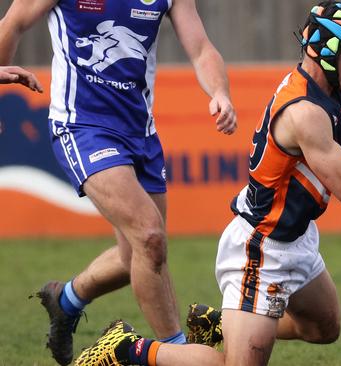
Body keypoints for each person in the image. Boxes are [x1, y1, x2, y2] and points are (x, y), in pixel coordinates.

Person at [74, 2, 341, 365]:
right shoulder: (304, 111)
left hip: (296, 238)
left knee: (324, 328)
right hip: (261, 247)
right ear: (329, 50)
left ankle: (218, 323)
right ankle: (128, 349)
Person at [0, 0, 236, 365]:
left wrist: (220, 92)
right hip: (81, 127)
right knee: (150, 237)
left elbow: (202, 48)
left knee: (137, 256)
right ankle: (177, 352)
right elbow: (12, 22)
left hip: (141, 133)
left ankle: (66, 300)